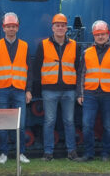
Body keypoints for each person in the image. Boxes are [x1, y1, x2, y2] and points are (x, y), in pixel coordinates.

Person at [76, 20, 110, 162]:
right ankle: (88, 153)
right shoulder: (86, 53)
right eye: (97, 34)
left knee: (108, 126)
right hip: (90, 94)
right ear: (93, 35)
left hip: (109, 94)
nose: (100, 37)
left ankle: (105, 153)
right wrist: (80, 94)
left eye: (103, 34)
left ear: (108, 34)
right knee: (87, 125)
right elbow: (81, 74)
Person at [33, 13, 81, 161]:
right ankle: (48, 153)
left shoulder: (75, 45)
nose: (60, 28)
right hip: (49, 90)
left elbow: (78, 69)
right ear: (52, 27)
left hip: (69, 90)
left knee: (69, 121)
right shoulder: (43, 44)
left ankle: (71, 151)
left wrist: (78, 90)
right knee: (49, 121)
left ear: (67, 28)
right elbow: (37, 68)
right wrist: (37, 89)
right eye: (57, 25)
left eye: (63, 25)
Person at [0, 12, 32, 164]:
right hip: (1, 90)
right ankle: (4, 153)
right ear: (3, 28)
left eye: (13, 26)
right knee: (2, 124)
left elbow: (29, 70)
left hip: (19, 89)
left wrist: (28, 90)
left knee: (20, 124)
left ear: (17, 28)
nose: (11, 29)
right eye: (8, 26)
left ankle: (21, 153)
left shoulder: (25, 46)